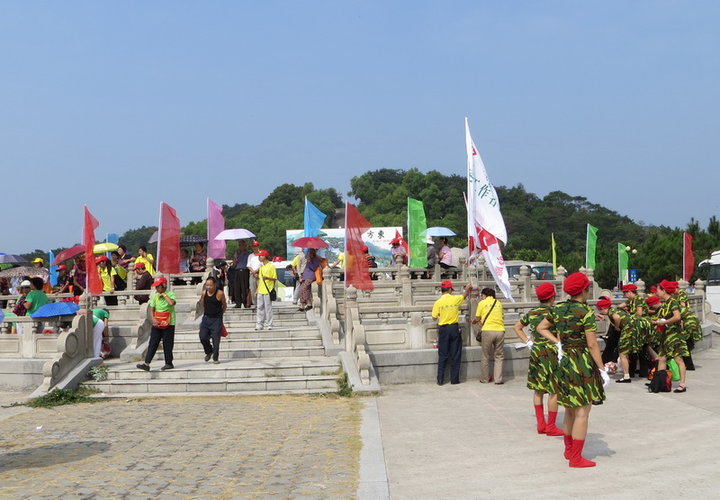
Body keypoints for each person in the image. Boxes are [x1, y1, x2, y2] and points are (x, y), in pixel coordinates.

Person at [536, 272, 609, 468]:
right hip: (582, 362)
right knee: (582, 411)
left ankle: (569, 451)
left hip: (565, 360)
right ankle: (576, 457)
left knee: (569, 409)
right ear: (585, 290)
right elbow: (592, 344)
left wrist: (559, 342)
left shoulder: (558, 308)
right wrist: (602, 369)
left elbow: (541, 328)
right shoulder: (585, 312)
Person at [513, 282, 563, 436]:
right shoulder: (555, 312)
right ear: (552, 297)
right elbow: (560, 334)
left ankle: (541, 424)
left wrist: (528, 341)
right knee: (554, 391)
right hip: (552, 352)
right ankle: (551, 426)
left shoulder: (532, 313)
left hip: (536, 351)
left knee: (538, 389)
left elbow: (517, 327)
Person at [432, 280, 472, 385]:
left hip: (443, 329)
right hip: (454, 328)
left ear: (442, 290)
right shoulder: (455, 299)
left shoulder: (438, 302)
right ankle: (454, 380)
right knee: (455, 354)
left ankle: (440, 380)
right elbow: (464, 295)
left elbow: (434, 317)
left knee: (443, 355)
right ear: (450, 289)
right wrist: (467, 288)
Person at [653, 280, 688, 392]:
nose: (656, 292)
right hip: (666, 335)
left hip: (675, 335)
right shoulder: (665, 303)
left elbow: (677, 317)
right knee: (662, 358)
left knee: (678, 359)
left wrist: (665, 322)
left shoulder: (673, 302)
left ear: (663, 290)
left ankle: (682, 384)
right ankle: (660, 382)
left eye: (658, 290)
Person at [137, 277, 177, 371]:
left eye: (158, 287)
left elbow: (171, 303)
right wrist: (153, 319)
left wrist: (164, 295)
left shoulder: (171, 294)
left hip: (169, 322)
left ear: (163, 286)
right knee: (153, 343)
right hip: (157, 322)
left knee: (167, 343)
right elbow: (151, 308)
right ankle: (147, 363)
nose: (156, 289)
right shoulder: (155, 296)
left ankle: (168, 363)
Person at [473, 287, 505, 384]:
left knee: (485, 355)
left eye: (482, 295)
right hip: (500, 331)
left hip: (488, 331)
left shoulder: (482, 303)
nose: (481, 297)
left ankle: (485, 378)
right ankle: (498, 379)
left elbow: (477, 318)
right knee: (499, 356)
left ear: (484, 295)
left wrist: (474, 321)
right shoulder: (499, 303)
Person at [198, 276, 227, 364]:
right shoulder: (204, 293)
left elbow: (224, 305)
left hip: (216, 319)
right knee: (202, 337)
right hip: (206, 318)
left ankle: (215, 357)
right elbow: (203, 304)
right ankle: (209, 351)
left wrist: (220, 315)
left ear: (214, 285)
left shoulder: (220, 293)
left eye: (210, 285)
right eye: (207, 285)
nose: (208, 287)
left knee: (216, 340)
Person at [255, 250, 277, 330]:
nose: (259, 257)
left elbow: (275, 278)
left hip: (268, 290)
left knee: (268, 308)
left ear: (265, 256)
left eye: (261, 256)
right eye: (259, 256)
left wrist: (268, 278)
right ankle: (259, 324)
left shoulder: (271, 266)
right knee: (260, 307)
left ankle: (269, 324)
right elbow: (260, 280)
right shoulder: (261, 267)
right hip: (261, 290)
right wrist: (257, 290)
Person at [231, 240, 251, 308]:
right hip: (237, 270)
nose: (241, 246)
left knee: (245, 287)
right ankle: (238, 303)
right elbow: (234, 265)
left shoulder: (248, 254)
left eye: (242, 245)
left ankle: (246, 302)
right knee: (237, 287)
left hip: (245, 271)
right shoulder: (237, 254)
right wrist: (234, 257)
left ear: (245, 245)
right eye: (239, 245)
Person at [247, 241, 262, 307]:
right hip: (252, 274)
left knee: (260, 289)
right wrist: (253, 272)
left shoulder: (261, 255)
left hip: (259, 274)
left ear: (258, 246)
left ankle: (260, 303)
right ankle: (255, 303)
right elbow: (248, 265)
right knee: (252, 289)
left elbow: (262, 265)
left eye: (256, 246)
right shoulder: (250, 256)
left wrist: (256, 271)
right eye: (253, 246)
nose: (254, 248)